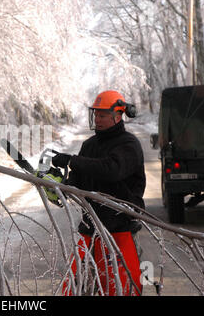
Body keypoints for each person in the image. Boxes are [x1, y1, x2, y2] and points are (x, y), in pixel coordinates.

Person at [52, 90, 145, 296]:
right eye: (96, 114)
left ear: (118, 115)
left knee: (122, 289)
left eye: (103, 115)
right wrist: (61, 186)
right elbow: (79, 181)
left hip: (120, 229)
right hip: (89, 228)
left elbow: (111, 169)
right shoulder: (89, 145)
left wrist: (71, 160)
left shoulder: (129, 145)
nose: (98, 119)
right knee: (71, 287)